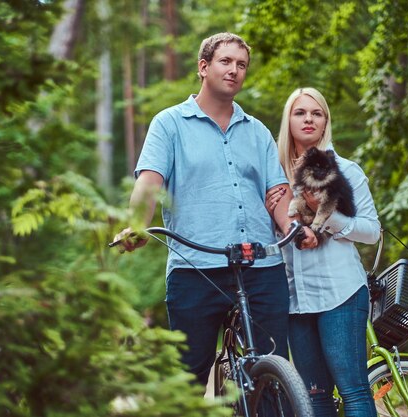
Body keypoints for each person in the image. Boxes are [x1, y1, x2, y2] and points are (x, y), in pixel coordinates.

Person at [112, 33, 318, 387]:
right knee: (189, 376)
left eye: (241, 65)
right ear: (203, 67)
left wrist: (292, 229)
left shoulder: (257, 131)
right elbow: (150, 183)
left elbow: (276, 192)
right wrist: (136, 226)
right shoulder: (169, 124)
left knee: (271, 373)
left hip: (260, 266)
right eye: (226, 62)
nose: (234, 70)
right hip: (196, 268)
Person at [266, 87, 380, 417]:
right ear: (288, 120)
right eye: (300, 112)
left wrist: (324, 214)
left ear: (325, 122)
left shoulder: (345, 170)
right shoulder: (275, 176)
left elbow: (371, 231)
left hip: (340, 293)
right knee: (314, 397)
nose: (308, 119)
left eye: (316, 113)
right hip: (295, 299)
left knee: (353, 390)